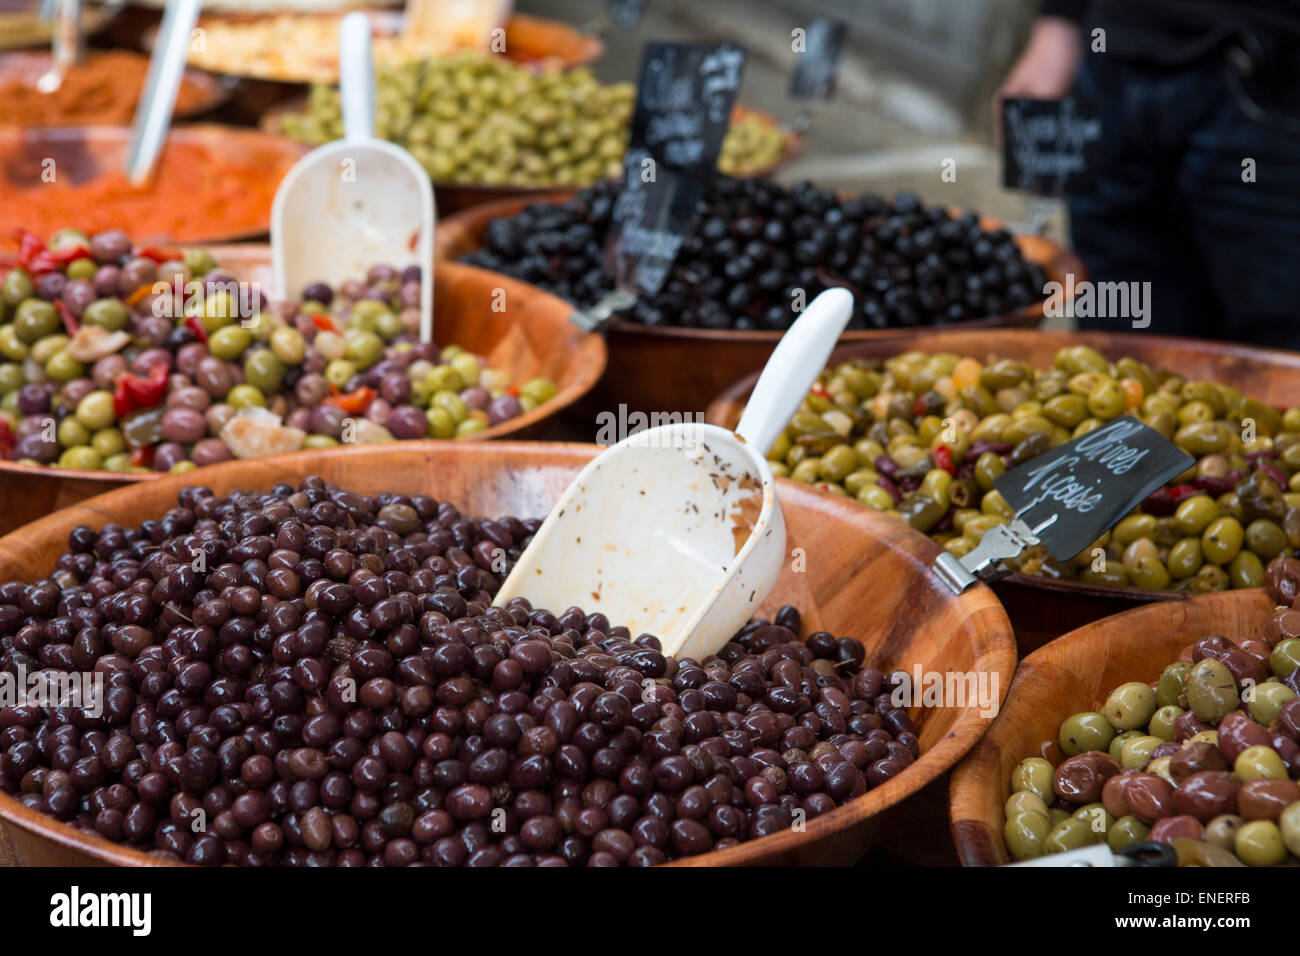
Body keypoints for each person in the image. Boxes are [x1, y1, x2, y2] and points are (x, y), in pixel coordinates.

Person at [999, 0, 1300, 348]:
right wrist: (1060, 22)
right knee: (1119, 348)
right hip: (1112, 62)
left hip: (1279, 80)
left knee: (1276, 362)